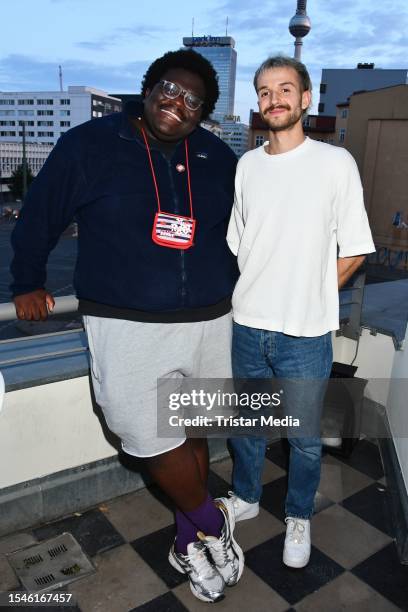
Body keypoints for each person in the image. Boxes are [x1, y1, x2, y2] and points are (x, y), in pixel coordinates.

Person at [10, 49, 244, 603]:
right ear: (147, 86)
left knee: (192, 431)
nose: (176, 103)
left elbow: (243, 233)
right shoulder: (90, 146)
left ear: (204, 111)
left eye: (193, 100)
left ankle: (188, 542)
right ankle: (212, 521)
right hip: (127, 323)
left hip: (211, 318)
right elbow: (40, 215)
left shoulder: (216, 156)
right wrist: (27, 281)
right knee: (148, 437)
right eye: (168, 87)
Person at [225, 55, 375, 569]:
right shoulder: (247, 165)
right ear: (258, 103)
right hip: (247, 323)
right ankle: (245, 498)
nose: (275, 99)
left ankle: (297, 516)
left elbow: (354, 249)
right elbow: (239, 243)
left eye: (285, 89)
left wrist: (312, 294)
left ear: (305, 99)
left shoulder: (335, 164)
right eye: (265, 92)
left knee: (304, 438)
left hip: (305, 333)